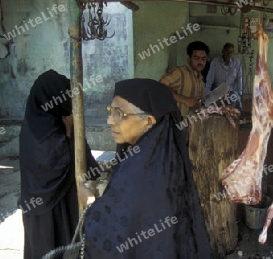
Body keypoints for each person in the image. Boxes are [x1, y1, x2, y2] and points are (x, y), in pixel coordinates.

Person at [82, 78, 213, 258]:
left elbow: (109, 239)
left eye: (119, 113)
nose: (110, 120)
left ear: (149, 121)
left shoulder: (141, 174)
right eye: (110, 111)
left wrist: (89, 202)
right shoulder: (164, 158)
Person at [19, 69, 99, 259]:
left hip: (51, 201)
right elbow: (56, 165)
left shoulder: (36, 121)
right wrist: (70, 131)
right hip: (49, 205)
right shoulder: (44, 128)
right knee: (52, 240)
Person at [159, 41, 209, 119]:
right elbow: (159, 88)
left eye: (203, 59)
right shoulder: (179, 73)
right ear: (189, 58)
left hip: (192, 125)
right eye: (196, 58)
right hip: (176, 123)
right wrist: (185, 100)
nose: (200, 62)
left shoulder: (200, 80)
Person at [205, 43, 243, 110]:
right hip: (217, 91)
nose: (228, 54)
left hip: (230, 91)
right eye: (226, 51)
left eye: (231, 52)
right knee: (214, 108)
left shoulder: (236, 62)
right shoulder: (215, 62)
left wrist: (240, 93)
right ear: (223, 51)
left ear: (233, 53)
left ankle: (236, 117)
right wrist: (207, 95)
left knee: (235, 101)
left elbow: (239, 78)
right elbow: (209, 80)